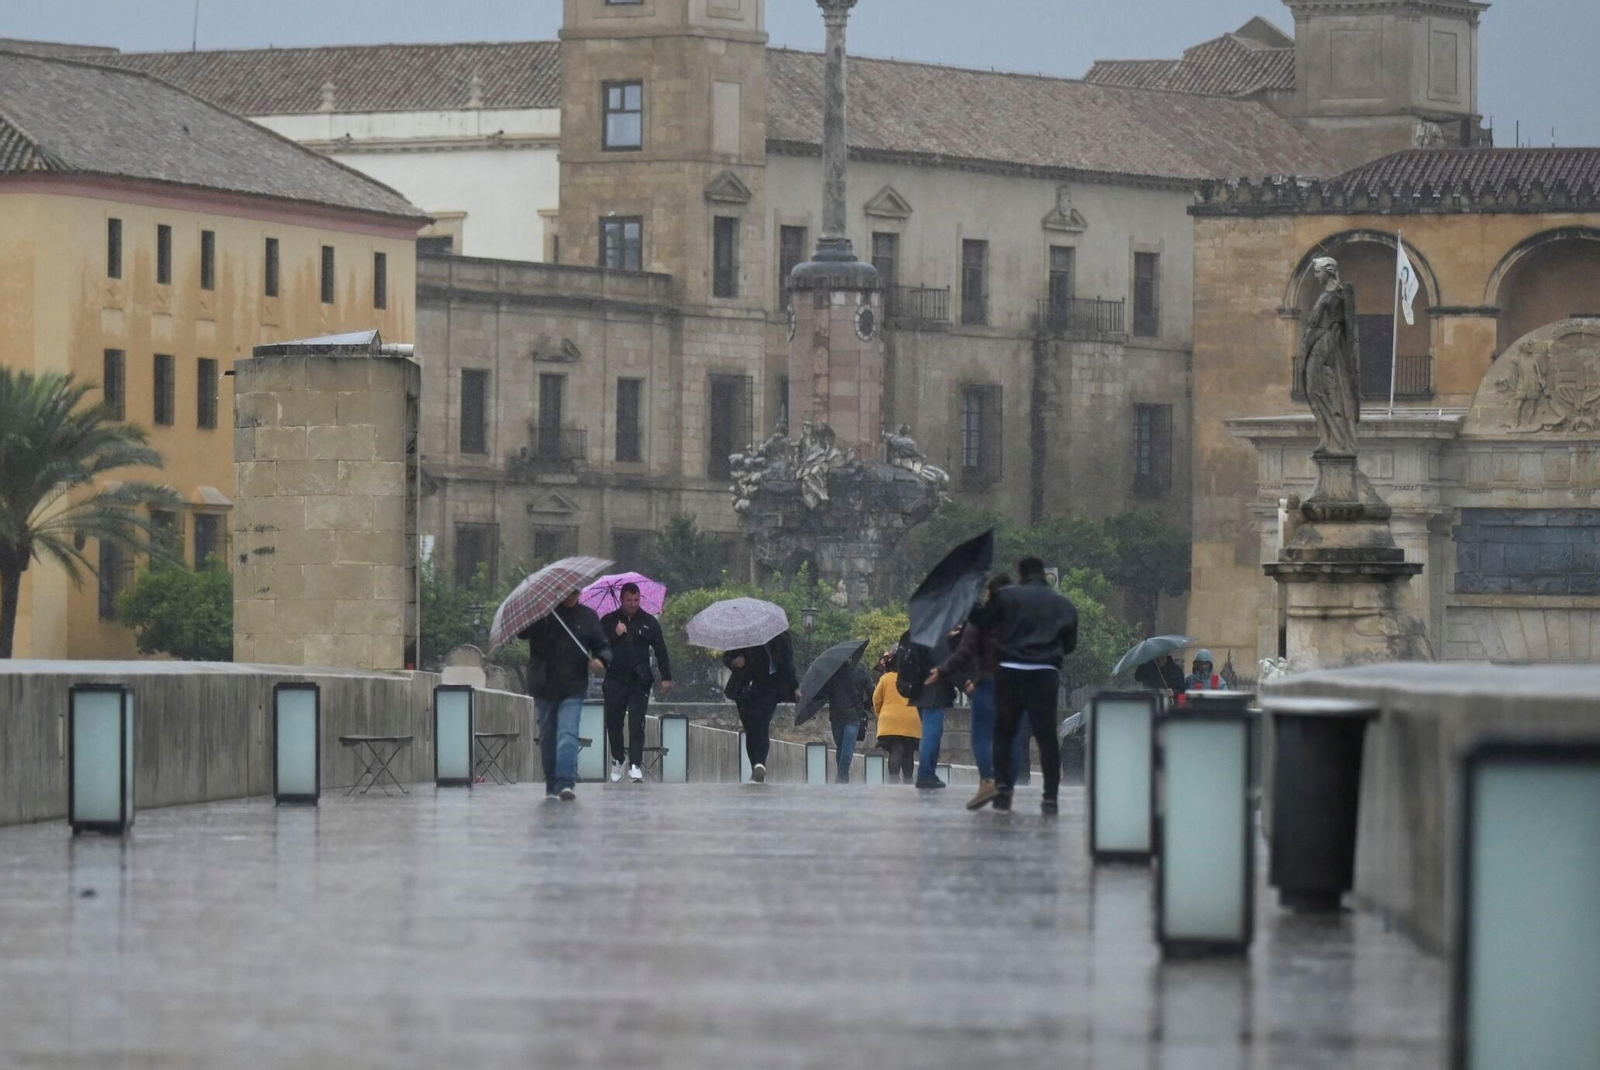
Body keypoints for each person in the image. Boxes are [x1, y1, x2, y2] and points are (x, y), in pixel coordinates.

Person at [931, 556, 1076, 814]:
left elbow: (983, 622)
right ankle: (1050, 798)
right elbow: (1069, 645)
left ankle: (1003, 792)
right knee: (1046, 737)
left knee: (1004, 732)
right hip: (1045, 673)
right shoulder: (1063, 604)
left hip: (1011, 671)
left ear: (1021, 575)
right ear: (1044, 575)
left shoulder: (1007, 599)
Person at [938, 574, 1028, 811]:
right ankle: (1006, 787)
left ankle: (988, 780)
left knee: (982, 736)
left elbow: (966, 651)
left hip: (987, 683)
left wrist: (964, 676)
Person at [520, 590, 612, 801]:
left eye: (574, 591)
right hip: (545, 687)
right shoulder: (543, 615)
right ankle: (551, 784)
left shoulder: (588, 616)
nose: (570, 595)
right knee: (548, 737)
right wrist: (533, 613)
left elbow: (603, 646)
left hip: (574, 687)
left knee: (568, 734)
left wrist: (602, 660)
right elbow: (522, 634)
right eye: (565, 591)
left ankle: (565, 783)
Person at [599, 582, 673, 784]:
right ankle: (618, 758)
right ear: (621, 600)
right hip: (614, 679)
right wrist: (614, 634)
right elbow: (598, 646)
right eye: (629, 600)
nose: (633, 604)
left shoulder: (648, 622)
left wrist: (666, 677)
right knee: (613, 722)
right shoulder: (609, 620)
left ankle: (635, 764)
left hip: (639, 681)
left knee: (636, 723)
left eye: (636, 600)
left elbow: (660, 650)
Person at [722, 631, 799, 783]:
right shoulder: (740, 635)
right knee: (750, 729)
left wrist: (794, 686)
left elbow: (787, 662)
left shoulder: (780, 636)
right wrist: (735, 662)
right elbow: (727, 657)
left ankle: (760, 763)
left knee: (762, 726)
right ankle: (755, 768)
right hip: (744, 688)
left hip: (769, 688)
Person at [896, 629, 958, 790]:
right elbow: (945, 662)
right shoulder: (936, 634)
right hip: (934, 691)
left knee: (930, 733)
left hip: (919, 691)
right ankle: (925, 773)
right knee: (932, 734)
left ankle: (928, 773)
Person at [823, 647, 873, 783]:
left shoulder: (831, 676)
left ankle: (842, 776)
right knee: (848, 747)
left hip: (836, 716)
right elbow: (872, 692)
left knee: (840, 747)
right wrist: (867, 706)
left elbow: (822, 694)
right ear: (851, 658)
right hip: (854, 716)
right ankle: (842, 776)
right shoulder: (860, 673)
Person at [871, 650, 921, 784]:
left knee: (896, 749)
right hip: (911, 719)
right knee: (908, 751)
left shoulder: (886, 678)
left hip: (890, 719)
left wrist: (881, 714)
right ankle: (908, 779)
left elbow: (876, 699)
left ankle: (893, 779)